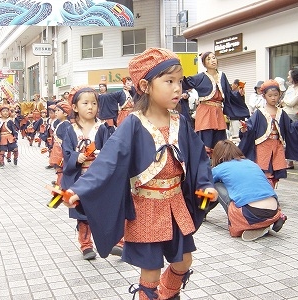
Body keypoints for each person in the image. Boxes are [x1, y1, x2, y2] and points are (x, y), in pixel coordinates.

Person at [63, 48, 218, 300]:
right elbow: (108, 162)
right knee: (151, 270)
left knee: (184, 260)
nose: (177, 88)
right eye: (169, 81)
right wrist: (77, 189)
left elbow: (199, 158)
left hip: (176, 204)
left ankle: (167, 294)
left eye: (179, 81)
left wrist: (205, 183)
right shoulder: (133, 124)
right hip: (146, 207)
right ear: (145, 85)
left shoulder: (181, 121)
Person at [61, 85, 120, 260]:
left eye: (94, 103)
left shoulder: (103, 128)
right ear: (74, 107)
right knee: (83, 211)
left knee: (106, 210)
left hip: (99, 178)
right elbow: (66, 151)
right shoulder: (70, 130)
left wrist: (102, 155)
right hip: (80, 177)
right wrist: (75, 157)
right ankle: (86, 245)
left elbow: (110, 150)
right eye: (85, 103)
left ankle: (116, 242)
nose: (90, 107)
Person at [238, 79, 298, 188]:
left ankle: (271, 195)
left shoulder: (281, 113)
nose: (273, 98)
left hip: (277, 146)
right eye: (270, 95)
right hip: (263, 146)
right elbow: (250, 127)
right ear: (264, 96)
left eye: (276, 95)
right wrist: (245, 129)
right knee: (263, 172)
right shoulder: (259, 112)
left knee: (274, 173)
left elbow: (291, 128)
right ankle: (265, 195)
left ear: (280, 95)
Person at [211, 140, 287, 241]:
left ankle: (254, 225)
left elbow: (205, 183)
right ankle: (271, 221)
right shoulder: (252, 163)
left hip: (251, 214)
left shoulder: (220, 168)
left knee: (215, 186)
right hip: (274, 210)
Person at [183, 51, 249, 156]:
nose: (212, 60)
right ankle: (204, 167)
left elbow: (229, 94)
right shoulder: (200, 77)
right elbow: (184, 83)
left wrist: (239, 94)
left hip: (218, 112)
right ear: (204, 63)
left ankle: (219, 165)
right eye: (208, 59)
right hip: (205, 111)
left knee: (220, 143)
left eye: (213, 58)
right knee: (205, 141)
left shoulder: (222, 76)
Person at [280, 68, 298, 169]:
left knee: (291, 138)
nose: (287, 77)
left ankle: (290, 162)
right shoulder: (290, 88)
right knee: (282, 137)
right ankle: (283, 160)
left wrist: (285, 101)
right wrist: (286, 101)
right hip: (284, 113)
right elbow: (285, 100)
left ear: (294, 76)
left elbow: (291, 102)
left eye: (289, 75)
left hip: (293, 114)